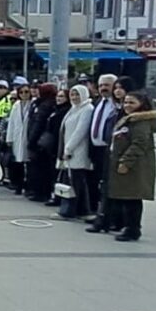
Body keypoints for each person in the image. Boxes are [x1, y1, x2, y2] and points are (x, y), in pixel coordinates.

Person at [92, 91, 156, 241]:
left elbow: (139, 144)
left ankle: (133, 229)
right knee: (122, 197)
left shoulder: (141, 122)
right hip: (119, 162)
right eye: (126, 102)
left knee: (132, 199)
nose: (127, 105)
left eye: (132, 103)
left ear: (141, 104)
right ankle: (116, 223)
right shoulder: (128, 119)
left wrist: (126, 162)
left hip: (134, 167)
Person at [57, 84, 95, 220]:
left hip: (78, 151)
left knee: (73, 182)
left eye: (77, 94)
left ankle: (68, 211)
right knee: (77, 181)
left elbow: (80, 131)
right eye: (72, 94)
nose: (74, 97)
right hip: (70, 150)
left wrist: (68, 149)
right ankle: (83, 210)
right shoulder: (73, 109)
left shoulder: (87, 109)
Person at [87, 74, 118, 214]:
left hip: (109, 149)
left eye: (107, 85)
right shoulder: (97, 102)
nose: (103, 88)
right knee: (93, 180)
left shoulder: (117, 105)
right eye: (100, 85)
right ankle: (95, 210)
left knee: (108, 183)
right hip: (94, 148)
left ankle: (107, 214)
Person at [24, 83, 59, 203]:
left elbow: (38, 124)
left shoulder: (45, 105)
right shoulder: (41, 103)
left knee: (40, 168)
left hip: (40, 141)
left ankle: (40, 192)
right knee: (41, 168)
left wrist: (31, 141)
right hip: (42, 141)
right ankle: (39, 191)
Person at [4, 83, 33, 195]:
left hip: (27, 137)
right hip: (17, 137)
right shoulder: (16, 105)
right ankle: (18, 185)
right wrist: (9, 139)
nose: (24, 94)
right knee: (17, 163)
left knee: (28, 163)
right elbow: (11, 123)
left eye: (26, 92)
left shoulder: (32, 104)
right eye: (21, 92)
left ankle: (28, 186)